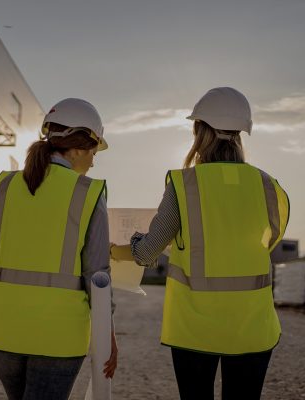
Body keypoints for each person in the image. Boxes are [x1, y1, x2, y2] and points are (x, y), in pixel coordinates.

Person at [110, 87, 290, 400]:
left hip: (195, 329)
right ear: (242, 133)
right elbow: (269, 240)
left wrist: (115, 249)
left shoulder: (184, 185)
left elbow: (149, 251)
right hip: (253, 326)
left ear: (198, 131)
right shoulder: (268, 185)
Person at [0, 98, 118, 400]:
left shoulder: (3, 185)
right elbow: (97, 277)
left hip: (1, 330)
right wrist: (108, 337)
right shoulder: (87, 192)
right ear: (78, 148)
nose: (93, 160)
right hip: (57, 337)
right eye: (93, 152)